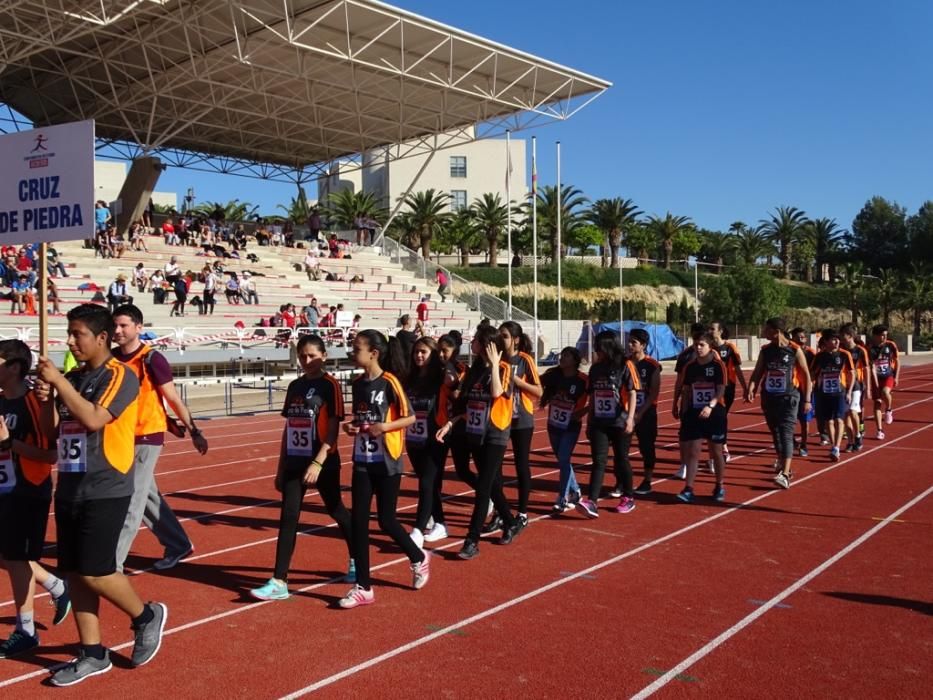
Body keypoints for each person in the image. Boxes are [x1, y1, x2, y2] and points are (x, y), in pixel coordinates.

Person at [35, 304, 166, 686]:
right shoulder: (73, 378)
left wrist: (59, 384)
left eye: (79, 334)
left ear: (102, 338)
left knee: (97, 571)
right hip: (72, 485)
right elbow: (51, 432)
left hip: (107, 485)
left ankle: (145, 615)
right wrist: (48, 397)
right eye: (69, 333)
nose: (71, 341)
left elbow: (94, 419)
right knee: (74, 574)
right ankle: (91, 652)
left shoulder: (120, 375)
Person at [250, 335, 354, 600]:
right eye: (302, 356)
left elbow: (333, 431)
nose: (307, 361)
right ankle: (279, 581)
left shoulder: (330, 386)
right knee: (288, 517)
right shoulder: (295, 386)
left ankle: (357, 557)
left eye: (312, 356)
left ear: (324, 356)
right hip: (295, 462)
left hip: (323, 461)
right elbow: (289, 428)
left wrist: (318, 462)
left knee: (336, 509)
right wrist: (280, 467)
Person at [338, 330, 429, 608]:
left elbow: (410, 417)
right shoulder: (357, 383)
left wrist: (384, 427)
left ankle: (418, 557)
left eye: (356, 349)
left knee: (386, 521)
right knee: (359, 522)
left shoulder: (390, 382)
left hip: (387, 459)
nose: (352, 353)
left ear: (373, 353)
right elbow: (361, 416)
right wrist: (352, 426)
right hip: (363, 459)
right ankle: (363, 586)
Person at [111, 305, 205, 572]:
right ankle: (178, 544)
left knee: (132, 499)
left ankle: (111, 566)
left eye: (123, 325)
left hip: (147, 436)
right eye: (114, 326)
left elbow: (172, 398)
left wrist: (194, 431)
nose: (117, 331)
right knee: (148, 496)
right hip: (121, 436)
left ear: (138, 327)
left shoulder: (151, 359)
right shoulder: (111, 359)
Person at [0, 340, 72, 659]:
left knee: (16, 559)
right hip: (3, 488)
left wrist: (9, 444)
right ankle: (57, 586)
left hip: (28, 490)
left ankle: (26, 630)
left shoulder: (34, 402)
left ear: (14, 367)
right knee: (7, 556)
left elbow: (50, 454)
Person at [436, 324, 522, 559]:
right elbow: (465, 406)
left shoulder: (504, 368)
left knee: (483, 489)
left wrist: (494, 364)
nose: (472, 342)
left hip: (495, 434)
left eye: (476, 339)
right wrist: (450, 424)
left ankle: (471, 541)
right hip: (475, 433)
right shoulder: (473, 371)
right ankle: (511, 521)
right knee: (491, 484)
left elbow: (496, 393)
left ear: (486, 344)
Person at [578, 330, 639, 517]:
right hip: (599, 421)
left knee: (621, 459)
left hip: (619, 421)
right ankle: (592, 501)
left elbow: (633, 391)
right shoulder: (595, 369)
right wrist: (589, 422)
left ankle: (628, 496)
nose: (597, 351)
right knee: (599, 461)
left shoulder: (625, 365)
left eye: (599, 347)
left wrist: (630, 418)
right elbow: (593, 396)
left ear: (608, 347)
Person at [748, 317, 812, 489]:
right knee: (775, 432)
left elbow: (806, 374)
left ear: (776, 332)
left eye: (766, 330)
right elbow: (757, 372)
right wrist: (751, 388)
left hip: (789, 397)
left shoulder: (794, 350)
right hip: (769, 397)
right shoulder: (766, 350)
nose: (763, 333)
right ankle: (783, 464)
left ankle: (785, 473)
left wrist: (807, 399)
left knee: (786, 432)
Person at [403, 337, 447, 548]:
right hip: (413, 438)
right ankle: (440, 523)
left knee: (427, 482)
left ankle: (418, 529)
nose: (418, 355)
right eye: (416, 352)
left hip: (435, 437)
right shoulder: (409, 379)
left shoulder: (440, 378)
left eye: (423, 352)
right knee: (426, 481)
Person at [675, 333, 727, 503]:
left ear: (710, 347)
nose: (698, 348)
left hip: (715, 413)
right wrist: (682, 408)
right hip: (694, 413)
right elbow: (687, 389)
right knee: (693, 451)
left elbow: (720, 389)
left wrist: (710, 405)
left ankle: (719, 485)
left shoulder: (718, 365)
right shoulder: (690, 366)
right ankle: (688, 488)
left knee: (716, 452)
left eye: (702, 345)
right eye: (696, 344)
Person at [498, 321, 542, 527]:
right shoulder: (496, 357)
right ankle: (499, 511)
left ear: (515, 339)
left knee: (521, 464)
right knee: (495, 467)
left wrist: (517, 381)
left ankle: (523, 512)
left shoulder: (525, 360)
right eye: (500, 335)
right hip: (500, 419)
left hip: (521, 419)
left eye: (505, 336)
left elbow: (539, 391)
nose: (501, 339)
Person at [539, 347, 587, 514]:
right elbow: (536, 381)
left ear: (575, 360)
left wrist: (583, 412)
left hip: (571, 426)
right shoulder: (554, 376)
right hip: (553, 423)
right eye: (562, 355)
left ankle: (562, 497)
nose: (562, 358)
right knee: (561, 459)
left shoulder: (583, 380)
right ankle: (576, 490)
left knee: (564, 459)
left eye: (566, 355)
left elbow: (596, 397)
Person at [810, 329, 854, 462]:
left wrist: (849, 391)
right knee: (828, 420)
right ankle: (833, 444)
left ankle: (836, 447)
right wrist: (812, 387)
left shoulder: (844, 354)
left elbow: (852, 373)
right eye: (833, 340)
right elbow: (812, 373)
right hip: (823, 393)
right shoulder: (819, 356)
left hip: (839, 392)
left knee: (839, 420)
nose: (837, 342)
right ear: (826, 342)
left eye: (838, 339)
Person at [708, 322, 748, 465]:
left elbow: (737, 369)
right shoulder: (708, 348)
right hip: (711, 388)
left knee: (720, 417)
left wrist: (745, 388)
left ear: (720, 331)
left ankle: (720, 449)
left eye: (712, 329)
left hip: (727, 387)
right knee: (713, 419)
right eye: (709, 328)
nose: (710, 331)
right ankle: (720, 449)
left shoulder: (730, 348)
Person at [627, 329, 662, 495]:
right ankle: (622, 481)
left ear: (643, 345)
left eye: (634, 342)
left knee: (646, 447)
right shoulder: (625, 363)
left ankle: (647, 480)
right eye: (629, 341)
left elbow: (654, 393)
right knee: (622, 447)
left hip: (646, 412)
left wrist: (640, 413)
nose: (629, 345)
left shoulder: (652, 365)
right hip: (626, 413)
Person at [671, 322, 707, 479]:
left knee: (710, 433)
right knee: (685, 433)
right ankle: (684, 465)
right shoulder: (685, 355)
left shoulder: (713, 355)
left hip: (709, 401)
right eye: (695, 336)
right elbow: (679, 380)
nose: (698, 344)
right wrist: (675, 402)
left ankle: (712, 459)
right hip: (689, 399)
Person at [840, 323, 871, 452]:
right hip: (842, 386)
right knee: (845, 415)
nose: (841, 339)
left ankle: (858, 435)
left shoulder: (860, 351)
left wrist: (868, 387)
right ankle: (851, 441)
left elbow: (867, 368)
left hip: (856, 385)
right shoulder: (840, 351)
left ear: (851, 336)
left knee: (853, 411)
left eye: (844, 336)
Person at [868, 324, 899, 439]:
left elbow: (897, 361)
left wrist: (896, 377)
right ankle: (879, 430)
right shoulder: (869, 348)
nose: (884, 337)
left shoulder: (890, 345)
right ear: (875, 336)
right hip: (876, 377)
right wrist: (875, 383)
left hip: (888, 376)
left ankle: (889, 409)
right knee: (877, 403)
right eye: (882, 335)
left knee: (886, 392)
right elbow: (871, 367)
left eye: (886, 335)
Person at [790, 327, 816, 456]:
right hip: (793, 388)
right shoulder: (790, 350)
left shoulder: (810, 353)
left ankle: (804, 444)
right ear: (792, 338)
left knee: (805, 420)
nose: (801, 339)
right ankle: (793, 440)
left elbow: (816, 369)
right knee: (791, 418)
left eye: (803, 337)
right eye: (798, 337)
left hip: (806, 389)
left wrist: (812, 382)